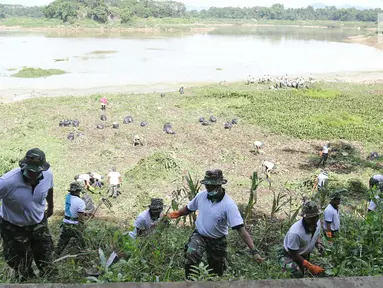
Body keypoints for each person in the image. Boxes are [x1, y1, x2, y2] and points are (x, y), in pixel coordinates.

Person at [168, 169, 264, 279]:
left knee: (216, 272)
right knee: (191, 254)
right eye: (207, 185)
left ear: (219, 185)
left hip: (217, 240)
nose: (208, 188)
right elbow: (188, 209)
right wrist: (172, 215)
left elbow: (241, 230)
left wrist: (254, 251)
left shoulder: (228, 205)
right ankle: (190, 282)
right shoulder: (202, 196)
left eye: (211, 186)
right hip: (200, 235)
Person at [0, 148, 55, 280]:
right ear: (23, 166)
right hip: (14, 227)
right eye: (30, 171)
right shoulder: (7, 181)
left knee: (47, 260)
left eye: (36, 172)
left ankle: (49, 281)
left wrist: (51, 206)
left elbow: (50, 188)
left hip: (38, 222)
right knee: (21, 265)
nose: (33, 175)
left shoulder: (48, 175)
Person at [279, 201, 325, 278]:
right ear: (305, 217)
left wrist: (318, 243)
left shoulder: (317, 222)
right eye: (311, 218)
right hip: (289, 255)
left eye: (316, 217)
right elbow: (292, 253)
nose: (315, 219)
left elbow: (316, 234)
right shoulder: (296, 232)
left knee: (303, 273)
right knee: (297, 273)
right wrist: (310, 266)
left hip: (303, 253)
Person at [55, 182, 86, 256]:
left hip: (65, 224)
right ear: (78, 191)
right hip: (74, 226)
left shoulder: (67, 197)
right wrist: (83, 224)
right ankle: (82, 255)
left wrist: (86, 213)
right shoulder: (80, 202)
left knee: (61, 243)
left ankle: (55, 256)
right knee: (81, 243)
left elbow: (73, 209)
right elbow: (80, 217)